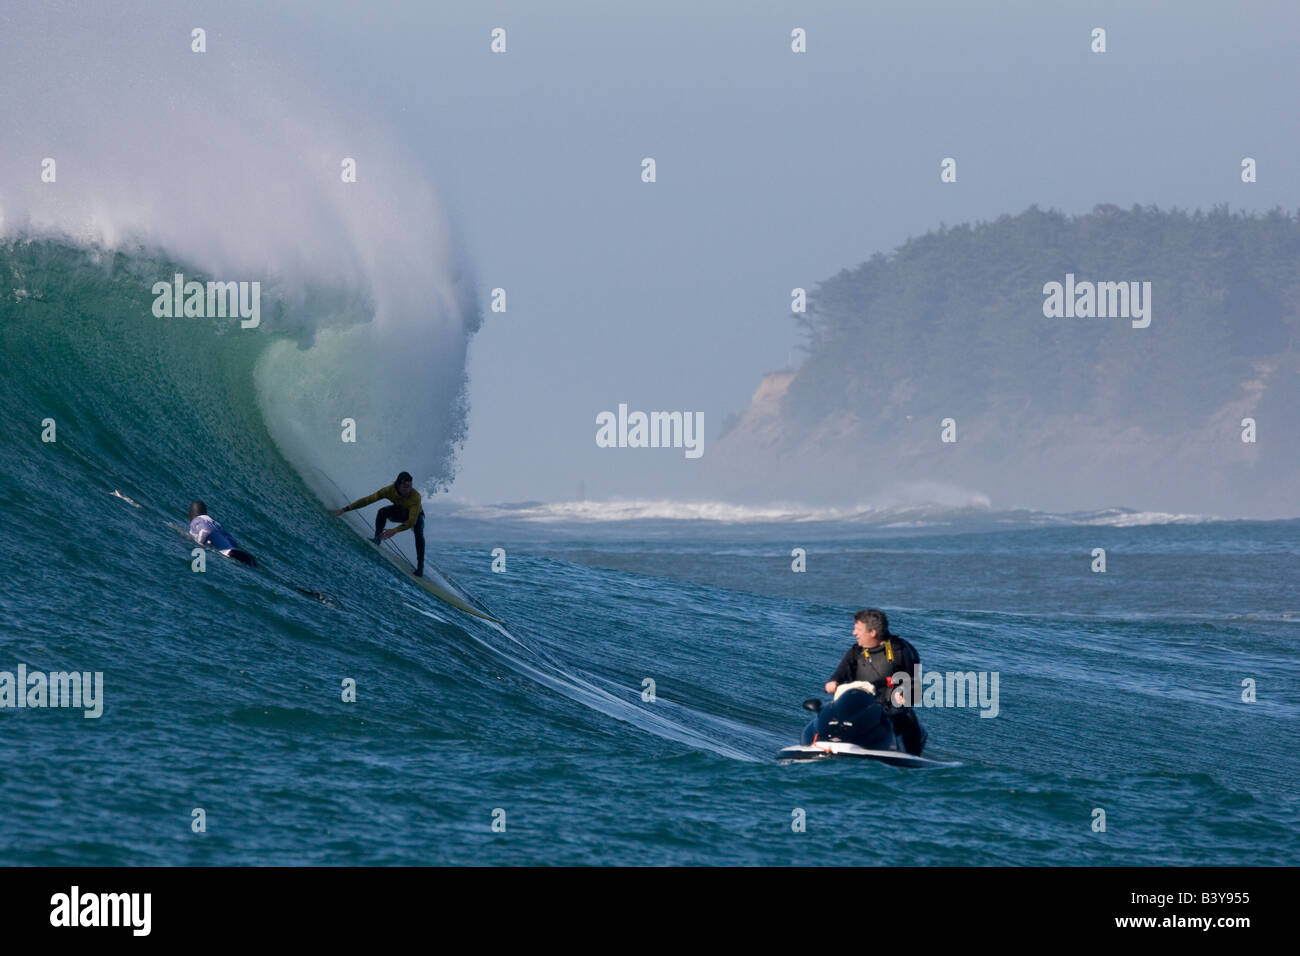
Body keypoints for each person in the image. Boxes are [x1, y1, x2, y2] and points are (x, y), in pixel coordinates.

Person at [817, 608, 928, 755]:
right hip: (857, 706)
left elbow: (913, 682)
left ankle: (913, 757)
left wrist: (904, 693)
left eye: (858, 629)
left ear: (873, 632)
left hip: (888, 708)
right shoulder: (856, 652)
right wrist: (833, 682)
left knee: (908, 718)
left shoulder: (901, 651)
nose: (854, 633)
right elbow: (839, 674)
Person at [333, 471, 425, 576]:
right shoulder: (388, 490)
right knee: (382, 512)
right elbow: (367, 500)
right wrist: (345, 509)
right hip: (400, 512)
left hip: (417, 515)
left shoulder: (415, 496)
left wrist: (394, 530)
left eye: (410, 486)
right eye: (405, 487)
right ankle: (377, 539)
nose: (408, 490)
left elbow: (412, 521)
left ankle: (420, 567)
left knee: (418, 531)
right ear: (398, 485)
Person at [188, 501, 256, 567]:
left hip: (229, 554)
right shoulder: (214, 522)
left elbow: (205, 531)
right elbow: (231, 540)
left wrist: (199, 545)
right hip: (238, 552)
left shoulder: (197, 520)